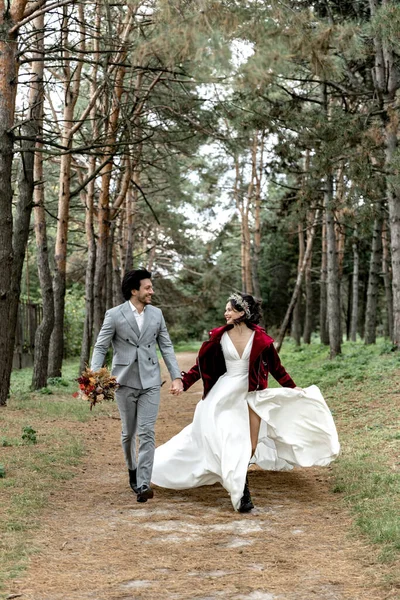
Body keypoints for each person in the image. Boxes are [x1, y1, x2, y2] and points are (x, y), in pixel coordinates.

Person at [151, 292, 340, 512]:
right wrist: (184, 382)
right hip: (222, 396)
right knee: (229, 439)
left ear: (242, 313)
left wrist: (292, 387)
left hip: (252, 396)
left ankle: (236, 475)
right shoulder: (220, 337)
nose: (225, 313)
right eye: (226, 309)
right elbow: (201, 366)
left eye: (229, 309)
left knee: (249, 445)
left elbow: (277, 368)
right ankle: (241, 493)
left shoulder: (261, 340)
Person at [91, 269, 183, 503]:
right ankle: (132, 470)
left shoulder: (157, 314)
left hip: (151, 381)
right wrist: (94, 377)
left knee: (146, 431)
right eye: (147, 288)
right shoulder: (114, 315)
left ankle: (143, 483)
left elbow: (167, 347)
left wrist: (176, 376)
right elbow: (101, 347)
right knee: (128, 433)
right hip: (123, 381)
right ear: (134, 291)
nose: (152, 291)